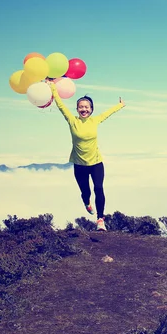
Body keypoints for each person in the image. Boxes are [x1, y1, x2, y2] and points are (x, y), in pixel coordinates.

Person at [47, 80, 125, 231]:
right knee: (85, 192)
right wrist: (53, 88)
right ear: (77, 109)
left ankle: (100, 219)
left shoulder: (95, 120)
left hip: (96, 163)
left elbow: (107, 113)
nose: (84, 109)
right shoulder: (72, 121)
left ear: (91, 109)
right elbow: (61, 105)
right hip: (79, 164)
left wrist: (120, 105)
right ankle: (86, 202)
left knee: (98, 188)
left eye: (86, 107)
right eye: (81, 107)